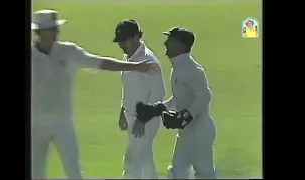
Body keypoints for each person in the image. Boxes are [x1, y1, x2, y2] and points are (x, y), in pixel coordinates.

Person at [31, 9, 157, 179]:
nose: (55, 33)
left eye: (56, 29)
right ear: (39, 33)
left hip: (63, 122)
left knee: (73, 171)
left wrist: (134, 66)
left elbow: (99, 62)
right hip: (36, 123)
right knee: (36, 171)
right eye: (50, 30)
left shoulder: (68, 51)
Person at [135, 27, 217, 179]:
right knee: (176, 174)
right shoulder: (179, 68)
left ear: (181, 45)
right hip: (186, 134)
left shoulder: (193, 70)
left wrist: (187, 115)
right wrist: (157, 109)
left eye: (170, 41)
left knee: (205, 174)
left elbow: (205, 96)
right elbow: (178, 98)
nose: (166, 44)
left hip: (200, 134)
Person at [114, 19, 166, 179]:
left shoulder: (148, 60)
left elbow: (159, 92)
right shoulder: (128, 58)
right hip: (132, 117)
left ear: (136, 37)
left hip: (146, 120)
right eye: (120, 41)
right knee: (145, 161)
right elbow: (129, 88)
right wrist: (123, 110)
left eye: (125, 40)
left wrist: (143, 119)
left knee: (132, 160)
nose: (121, 45)